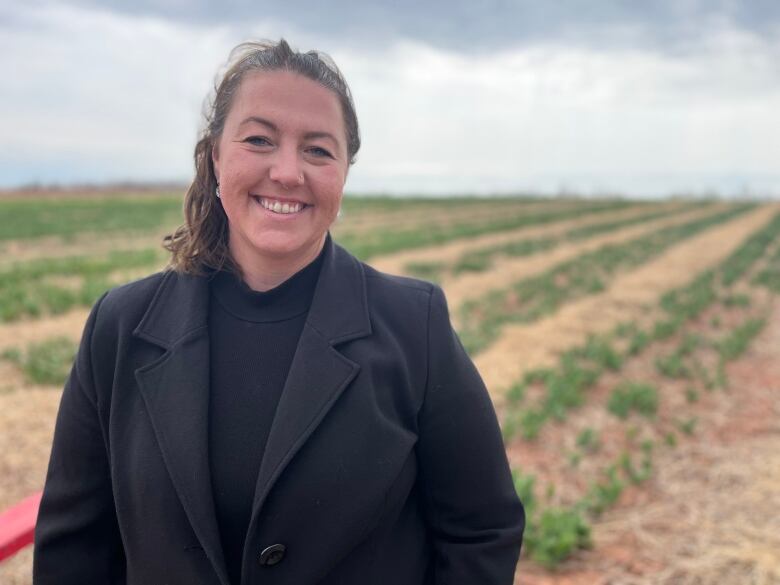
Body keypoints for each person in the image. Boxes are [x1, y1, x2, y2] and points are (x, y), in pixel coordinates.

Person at [33, 39, 524, 585]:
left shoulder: (416, 327)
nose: (288, 172)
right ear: (216, 156)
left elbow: (482, 530)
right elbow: (74, 546)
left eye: (318, 150)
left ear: (344, 173)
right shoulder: (120, 327)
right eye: (259, 140)